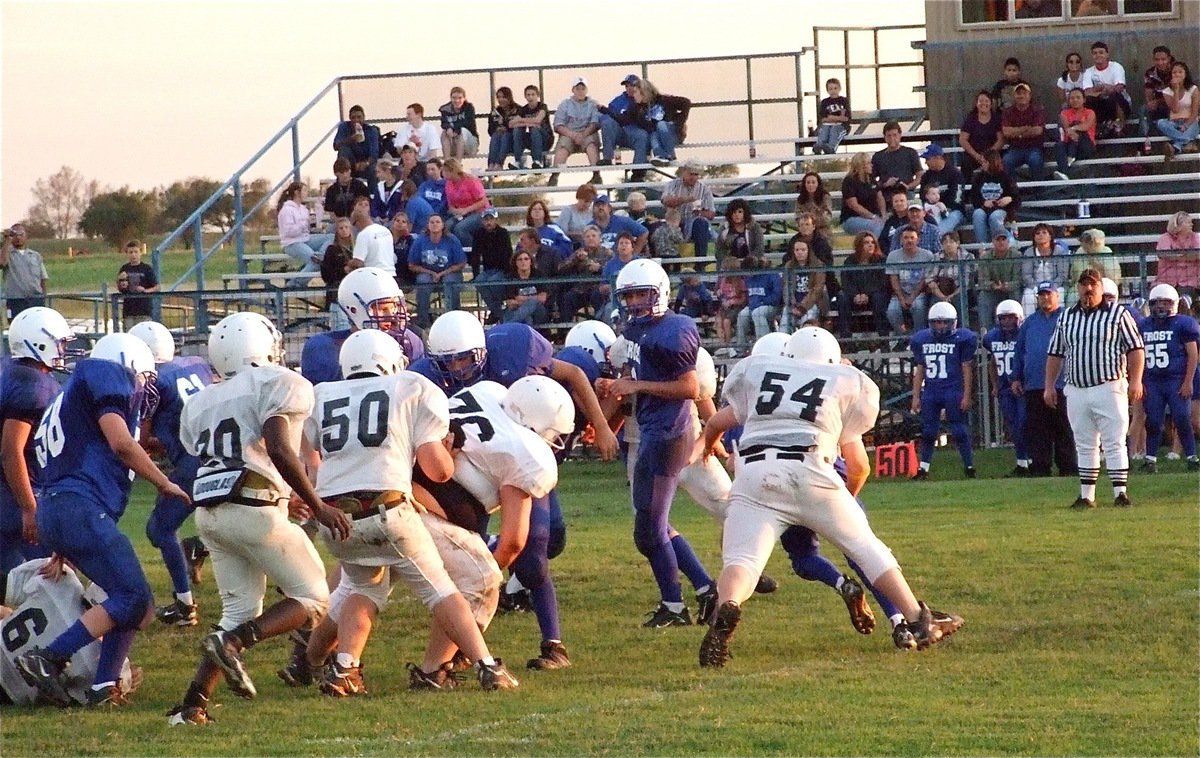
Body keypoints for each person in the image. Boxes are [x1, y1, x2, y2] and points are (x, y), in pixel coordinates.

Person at [696, 327, 961, 668]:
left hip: (754, 474)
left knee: (742, 562)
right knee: (866, 547)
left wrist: (707, 448)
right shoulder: (845, 381)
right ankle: (917, 619)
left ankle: (728, 606)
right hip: (810, 469)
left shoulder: (758, 370)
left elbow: (722, 416)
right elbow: (854, 444)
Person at [302, 330, 517, 695]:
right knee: (442, 590)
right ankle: (487, 665)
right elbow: (438, 471)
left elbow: (311, 463)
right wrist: (447, 454)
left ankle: (344, 669)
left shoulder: (320, 395)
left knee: (360, 586)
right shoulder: (410, 387)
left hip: (334, 514)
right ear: (390, 361)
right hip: (387, 506)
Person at [163, 313, 350, 725]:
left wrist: (284, 496)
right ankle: (233, 643)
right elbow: (281, 449)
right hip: (252, 508)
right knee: (317, 598)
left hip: (212, 514)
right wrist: (317, 504)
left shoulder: (201, 400)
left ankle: (193, 705)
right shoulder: (276, 382)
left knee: (239, 610)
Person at [15, 334, 184, 708]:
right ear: (128, 363)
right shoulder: (107, 372)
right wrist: (163, 481)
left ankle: (103, 687)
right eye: (144, 376)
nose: (145, 386)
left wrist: (61, 536)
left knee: (135, 602)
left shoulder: (68, 395)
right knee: (134, 596)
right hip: (79, 508)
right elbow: (121, 443)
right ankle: (50, 657)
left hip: (60, 508)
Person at [595, 259, 717, 627]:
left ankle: (680, 603)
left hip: (670, 436)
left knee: (650, 531)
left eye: (640, 294)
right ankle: (700, 591)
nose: (633, 302)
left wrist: (636, 385)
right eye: (628, 295)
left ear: (660, 292)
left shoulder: (675, 330)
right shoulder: (633, 333)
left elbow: (690, 389)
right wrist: (617, 387)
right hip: (650, 432)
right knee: (650, 528)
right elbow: (639, 379)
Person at [127, 321, 214, 628]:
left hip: (193, 461)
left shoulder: (153, 381)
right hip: (221, 452)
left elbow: (139, 441)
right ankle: (197, 548)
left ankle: (184, 605)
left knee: (159, 530)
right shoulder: (197, 364)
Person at [1045, 268, 1145, 509]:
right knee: (1084, 442)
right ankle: (1086, 495)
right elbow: (1055, 353)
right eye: (1084, 285)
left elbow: (1136, 349)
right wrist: (1049, 385)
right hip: (1076, 387)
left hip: (1108, 385)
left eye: (1093, 285)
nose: (1088, 289)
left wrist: (1136, 380)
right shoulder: (1067, 316)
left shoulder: (1118, 314)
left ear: (1101, 288)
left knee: (1114, 441)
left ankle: (1120, 493)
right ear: (1077, 288)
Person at [0, 558, 138, 705]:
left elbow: (4, 585)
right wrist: (121, 677)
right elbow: (93, 698)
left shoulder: (64, 580)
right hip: (8, 692)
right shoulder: (98, 660)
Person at [0, 307, 70, 573]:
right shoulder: (33, 386)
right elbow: (11, 450)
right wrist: (29, 507)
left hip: (12, 491)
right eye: (59, 342)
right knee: (54, 578)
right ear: (39, 342)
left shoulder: (14, 372)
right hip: (16, 493)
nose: (62, 349)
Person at [300, 267, 425, 386]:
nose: (391, 315)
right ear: (354, 310)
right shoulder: (326, 348)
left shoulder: (408, 342)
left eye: (394, 307)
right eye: (382, 308)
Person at [1012, 281, 1076, 477]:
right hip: (1034, 384)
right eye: (1042, 295)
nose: (1045, 298)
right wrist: (1016, 377)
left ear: (1057, 296)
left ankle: (1068, 466)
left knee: (1064, 427)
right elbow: (1019, 351)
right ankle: (1040, 465)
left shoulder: (1068, 318)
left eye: (1049, 294)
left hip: (1062, 383)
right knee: (1038, 429)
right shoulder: (1030, 322)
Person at [909, 302, 978, 480]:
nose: (941, 326)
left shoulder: (963, 339)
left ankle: (970, 467)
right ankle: (923, 469)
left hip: (953, 390)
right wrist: (916, 396)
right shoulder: (921, 339)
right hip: (931, 390)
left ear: (953, 323)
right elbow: (920, 369)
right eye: (937, 322)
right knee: (928, 431)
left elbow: (966, 367)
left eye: (945, 322)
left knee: (959, 430)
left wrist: (966, 394)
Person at [1138, 284, 1199, 472]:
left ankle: (1191, 457)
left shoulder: (1183, 324)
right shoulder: (1143, 325)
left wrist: (1188, 381)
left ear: (1174, 304)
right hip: (1152, 380)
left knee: (1182, 417)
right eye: (1157, 303)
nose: (1161, 307)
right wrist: (1139, 380)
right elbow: (1135, 354)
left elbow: (1193, 354)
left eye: (1166, 302)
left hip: (1176, 379)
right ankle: (1150, 459)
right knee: (1154, 420)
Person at [984, 300, 1030, 475]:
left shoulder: (1025, 335)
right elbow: (993, 362)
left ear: (1019, 318)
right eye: (1003, 318)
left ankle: (1031, 460)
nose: (1007, 322)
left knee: (1024, 424)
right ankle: (1022, 462)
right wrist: (995, 386)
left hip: (1022, 387)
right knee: (1014, 427)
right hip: (1004, 388)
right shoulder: (992, 338)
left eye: (1011, 317)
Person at [408, 215, 467, 326]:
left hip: (450, 272)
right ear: (428, 225)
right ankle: (423, 321)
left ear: (443, 225)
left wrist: (442, 273)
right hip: (427, 272)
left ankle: (453, 318)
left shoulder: (452, 240)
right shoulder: (420, 241)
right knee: (423, 281)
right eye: (432, 222)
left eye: (437, 222)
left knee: (450, 281)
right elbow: (412, 265)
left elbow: (461, 263)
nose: (435, 224)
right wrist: (431, 273)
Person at [277, 182, 334, 283]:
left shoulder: (304, 209)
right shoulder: (286, 210)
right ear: (296, 192)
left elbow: (306, 229)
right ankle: (294, 284)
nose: (306, 193)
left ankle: (320, 256)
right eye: (304, 190)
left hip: (305, 239)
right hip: (292, 243)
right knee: (315, 262)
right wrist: (305, 223)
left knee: (331, 237)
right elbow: (289, 232)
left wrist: (315, 224)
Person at [550, 78, 602, 187]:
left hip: (587, 133)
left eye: (583, 88)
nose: (580, 91)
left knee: (591, 144)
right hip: (569, 134)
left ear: (586, 90)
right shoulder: (565, 104)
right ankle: (555, 175)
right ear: (573, 90)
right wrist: (573, 135)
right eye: (577, 88)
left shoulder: (593, 104)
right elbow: (558, 125)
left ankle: (596, 174)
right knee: (563, 147)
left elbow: (595, 124)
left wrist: (582, 135)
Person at [837, 232, 890, 337]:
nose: (870, 245)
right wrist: (855, 294)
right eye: (866, 242)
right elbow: (846, 281)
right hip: (855, 297)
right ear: (859, 245)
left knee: (878, 298)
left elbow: (882, 282)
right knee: (842, 297)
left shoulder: (881, 260)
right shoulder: (850, 261)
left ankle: (884, 338)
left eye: (872, 242)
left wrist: (866, 294)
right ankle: (846, 339)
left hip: (875, 296)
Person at [885, 227, 937, 334]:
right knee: (892, 311)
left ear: (918, 240)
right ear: (901, 240)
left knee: (918, 307)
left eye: (912, 238)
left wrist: (912, 297)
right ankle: (903, 337)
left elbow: (925, 279)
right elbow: (893, 279)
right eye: (906, 238)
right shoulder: (893, 256)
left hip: (920, 293)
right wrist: (901, 298)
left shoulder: (927, 255)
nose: (909, 240)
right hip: (899, 293)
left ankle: (919, 335)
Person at [660, 161, 716, 260]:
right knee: (664, 230)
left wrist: (699, 213)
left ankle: (700, 262)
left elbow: (711, 214)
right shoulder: (672, 185)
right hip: (674, 222)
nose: (693, 177)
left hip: (694, 224)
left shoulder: (704, 189)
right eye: (691, 174)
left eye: (696, 174)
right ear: (683, 172)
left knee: (701, 224)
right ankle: (668, 264)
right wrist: (685, 200)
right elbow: (665, 201)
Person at [598, 73, 651, 171]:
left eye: (632, 85)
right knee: (607, 122)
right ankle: (607, 158)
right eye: (627, 86)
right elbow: (608, 116)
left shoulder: (645, 100)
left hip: (635, 133)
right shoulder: (618, 100)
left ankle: (638, 171)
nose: (629, 88)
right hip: (619, 133)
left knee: (642, 135)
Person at [969, 149, 1020, 246]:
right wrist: (983, 202)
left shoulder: (1006, 176)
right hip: (983, 208)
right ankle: (982, 247)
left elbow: (1017, 197)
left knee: (995, 216)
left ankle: (1006, 242)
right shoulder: (979, 177)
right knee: (977, 214)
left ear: (991, 162)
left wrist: (1009, 199)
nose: (982, 164)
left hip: (1001, 209)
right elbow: (973, 197)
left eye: (984, 162)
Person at [471, 208, 513, 323]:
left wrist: (507, 271)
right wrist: (475, 274)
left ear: (496, 220)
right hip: (488, 270)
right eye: (486, 220)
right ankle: (498, 312)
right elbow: (475, 255)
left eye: (491, 219)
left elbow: (508, 253)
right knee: (479, 282)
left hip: (502, 269)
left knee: (494, 282)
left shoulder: (503, 233)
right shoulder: (479, 234)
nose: (488, 222)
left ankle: (496, 312)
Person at [634, 79, 691, 164]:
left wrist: (679, 122)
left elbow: (686, 102)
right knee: (653, 136)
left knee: (661, 125)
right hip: (658, 136)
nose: (633, 95)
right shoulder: (639, 109)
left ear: (643, 92)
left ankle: (671, 156)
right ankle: (661, 157)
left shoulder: (664, 100)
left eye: (635, 92)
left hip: (672, 133)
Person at [558, 226, 608, 319]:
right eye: (588, 236)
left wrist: (600, 268)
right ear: (583, 239)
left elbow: (611, 270)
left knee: (598, 297)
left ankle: (600, 324)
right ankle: (565, 329)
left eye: (593, 236)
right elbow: (561, 269)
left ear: (599, 238)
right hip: (581, 290)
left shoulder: (607, 253)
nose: (591, 238)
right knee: (568, 298)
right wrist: (575, 260)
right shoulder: (579, 253)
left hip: (599, 288)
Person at [1083, 41, 1132, 136]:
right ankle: (1095, 128)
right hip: (1101, 104)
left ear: (1107, 54)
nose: (1098, 55)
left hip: (1121, 103)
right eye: (1095, 53)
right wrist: (1102, 88)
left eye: (1101, 52)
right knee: (1089, 100)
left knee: (1114, 96)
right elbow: (1086, 92)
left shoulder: (1116, 67)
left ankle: (1120, 126)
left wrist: (1097, 90)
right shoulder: (1088, 72)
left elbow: (1119, 88)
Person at [871, 121, 922, 210]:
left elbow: (919, 175)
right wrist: (885, 184)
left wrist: (908, 186)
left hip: (907, 193)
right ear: (885, 137)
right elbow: (871, 180)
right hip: (886, 194)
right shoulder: (878, 156)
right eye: (889, 136)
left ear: (900, 135)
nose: (892, 138)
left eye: (895, 135)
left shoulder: (910, 153)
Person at [1021, 223, 1070, 314]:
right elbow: (1026, 275)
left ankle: (1060, 322)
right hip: (1034, 287)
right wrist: (1036, 288)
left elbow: (1062, 275)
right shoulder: (1029, 252)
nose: (1041, 235)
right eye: (1038, 233)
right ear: (1034, 237)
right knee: (1028, 297)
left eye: (1044, 232)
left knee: (1059, 295)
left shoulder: (1059, 251)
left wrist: (1052, 287)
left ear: (1050, 236)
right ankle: (1029, 324)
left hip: (1056, 286)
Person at [0, 224, 48, 318]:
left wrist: (43, 297)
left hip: (35, 299)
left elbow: (43, 279)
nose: (18, 238)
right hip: (16, 300)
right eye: (15, 235)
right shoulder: (7, 253)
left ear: (26, 236)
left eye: (21, 234)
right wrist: (7, 240)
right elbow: (2, 263)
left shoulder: (35, 255)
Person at [1001, 83, 1047, 179]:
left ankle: (1039, 192)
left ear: (1029, 96)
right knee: (1006, 161)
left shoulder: (1037, 110)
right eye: (1018, 93)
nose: (1021, 96)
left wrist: (1017, 133)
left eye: (1024, 93)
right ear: (1014, 96)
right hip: (1015, 149)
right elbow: (1006, 132)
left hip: (1034, 148)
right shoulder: (1008, 112)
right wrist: (1025, 128)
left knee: (1036, 160)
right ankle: (1012, 191)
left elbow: (1038, 130)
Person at [1155, 61, 1199, 160]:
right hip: (1173, 122)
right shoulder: (1166, 91)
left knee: (1193, 127)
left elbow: (1195, 111)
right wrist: (1176, 90)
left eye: (1180, 72)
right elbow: (1175, 109)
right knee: (1161, 123)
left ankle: (1175, 148)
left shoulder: (1193, 89)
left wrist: (1186, 125)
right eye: (1174, 72)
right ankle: (1188, 142)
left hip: (1190, 121)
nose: (1177, 74)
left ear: (1185, 74)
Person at [441, 158, 491, 247]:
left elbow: (483, 201)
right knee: (447, 227)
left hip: (480, 212)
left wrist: (466, 210)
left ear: (453, 171)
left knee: (460, 228)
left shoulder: (471, 181)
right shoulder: (448, 183)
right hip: (461, 213)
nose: (443, 173)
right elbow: (450, 204)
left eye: (446, 171)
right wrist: (455, 211)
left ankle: (471, 251)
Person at [977, 232, 1022, 330]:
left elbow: (1019, 280)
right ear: (993, 242)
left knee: (1016, 294)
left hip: (1011, 290)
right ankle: (985, 332)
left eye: (1003, 239)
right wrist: (993, 285)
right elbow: (982, 281)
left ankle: (1018, 328)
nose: (1001, 242)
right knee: (983, 296)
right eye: (998, 240)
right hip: (993, 291)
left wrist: (1007, 286)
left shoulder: (1017, 255)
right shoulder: (985, 257)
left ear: (1008, 241)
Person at [918, 145, 965, 236]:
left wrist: (944, 209)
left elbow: (958, 197)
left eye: (928, 159)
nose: (926, 163)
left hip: (953, 211)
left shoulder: (954, 173)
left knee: (940, 230)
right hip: (931, 211)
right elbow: (923, 196)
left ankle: (935, 236)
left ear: (937, 158)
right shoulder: (926, 176)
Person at [735, 256, 782, 346]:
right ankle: (740, 347)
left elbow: (776, 297)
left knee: (757, 313)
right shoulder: (748, 278)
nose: (746, 275)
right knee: (742, 315)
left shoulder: (772, 275)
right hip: (754, 305)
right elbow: (750, 296)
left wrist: (762, 302)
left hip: (771, 306)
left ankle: (764, 345)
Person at [781, 237, 826, 329]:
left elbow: (817, 289)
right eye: (797, 250)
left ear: (808, 251)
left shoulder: (818, 265)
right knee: (784, 326)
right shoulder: (789, 266)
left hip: (811, 304)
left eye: (803, 250)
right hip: (793, 305)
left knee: (806, 326)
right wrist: (792, 305)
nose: (800, 252)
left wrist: (803, 307)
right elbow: (786, 287)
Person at [958, 91, 1005, 178]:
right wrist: (976, 155)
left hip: (992, 154)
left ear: (991, 103)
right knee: (965, 163)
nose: (984, 103)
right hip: (974, 154)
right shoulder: (971, 119)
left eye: (986, 101)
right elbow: (963, 139)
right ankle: (967, 191)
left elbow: (1001, 140)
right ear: (976, 104)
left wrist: (989, 155)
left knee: (1002, 162)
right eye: (981, 101)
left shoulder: (997, 119)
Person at [1155, 211, 1200, 298]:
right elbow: (1164, 254)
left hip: (1189, 281)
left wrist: (1176, 255)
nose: (1192, 225)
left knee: (1185, 295)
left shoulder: (1196, 237)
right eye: (1188, 222)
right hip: (1166, 280)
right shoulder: (1165, 237)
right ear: (1178, 225)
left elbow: (1198, 255)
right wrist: (1188, 255)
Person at [113, 240, 157, 327]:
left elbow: (157, 287)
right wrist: (119, 280)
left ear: (141, 252)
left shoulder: (146, 268)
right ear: (127, 254)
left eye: (136, 252)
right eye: (131, 252)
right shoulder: (124, 268)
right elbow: (120, 288)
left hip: (144, 311)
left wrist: (145, 290)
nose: (133, 255)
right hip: (129, 311)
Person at [928, 232, 975, 314]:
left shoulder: (968, 257)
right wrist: (942, 296)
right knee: (935, 304)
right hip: (941, 291)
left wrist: (952, 296)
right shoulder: (936, 257)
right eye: (945, 242)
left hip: (961, 291)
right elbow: (930, 279)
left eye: (951, 242)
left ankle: (962, 326)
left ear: (958, 243)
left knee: (960, 300)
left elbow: (966, 282)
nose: (948, 245)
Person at [1140, 46, 1175, 155]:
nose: (1160, 63)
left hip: (1175, 103)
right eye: (1157, 60)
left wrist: (1158, 101)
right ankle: (1145, 141)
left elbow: (1179, 95)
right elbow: (1148, 92)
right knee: (1143, 110)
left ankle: (1174, 140)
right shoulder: (1150, 73)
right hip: (1160, 103)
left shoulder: (1177, 70)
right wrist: (1150, 103)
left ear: (1169, 58)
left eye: (1163, 59)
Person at [347, 200, 396, 277]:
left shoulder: (363, 235)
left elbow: (358, 262)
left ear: (358, 222)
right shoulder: (386, 231)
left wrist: (349, 263)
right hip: (391, 275)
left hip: (374, 276)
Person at [839, 153, 884, 238]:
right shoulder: (849, 181)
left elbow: (880, 198)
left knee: (889, 226)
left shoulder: (871, 179)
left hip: (873, 216)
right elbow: (854, 205)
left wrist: (883, 215)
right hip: (852, 218)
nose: (872, 165)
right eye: (868, 163)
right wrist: (873, 217)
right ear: (861, 166)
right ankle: (875, 249)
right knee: (876, 226)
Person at [1069, 228, 1120, 303]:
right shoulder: (1080, 252)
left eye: (1089, 240)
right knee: (1072, 296)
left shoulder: (1106, 252)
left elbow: (1113, 277)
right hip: (1082, 285)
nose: (1086, 243)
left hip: (1103, 285)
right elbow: (1075, 276)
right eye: (1085, 240)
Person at [510, 84, 554, 170]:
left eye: (533, 94)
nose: (531, 97)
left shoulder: (542, 106)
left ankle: (537, 161)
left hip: (545, 139)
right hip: (532, 140)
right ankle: (518, 161)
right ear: (525, 97)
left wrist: (521, 120)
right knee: (517, 130)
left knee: (534, 129)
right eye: (528, 95)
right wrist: (529, 123)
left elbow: (538, 120)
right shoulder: (523, 109)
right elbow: (512, 124)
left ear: (537, 96)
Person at [503, 249, 552, 325]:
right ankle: (527, 334)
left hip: (539, 312)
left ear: (531, 261)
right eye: (520, 259)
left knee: (533, 303)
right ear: (515, 263)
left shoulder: (539, 275)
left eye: (526, 259)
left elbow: (542, 299)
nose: (523, 262)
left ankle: (508, 325)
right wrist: (534, 298)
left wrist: (523, 300)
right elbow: (510, 303)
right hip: (520, 311)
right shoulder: (511, 278)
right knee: (527, 318)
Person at [332, 105, 381, 180]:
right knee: (343, 150)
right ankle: (341, 185)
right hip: (349, 164)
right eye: (353, 118)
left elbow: (374, 153)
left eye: (359, 117)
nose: (356, 120)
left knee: (373, 170)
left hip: (365, 163)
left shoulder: (371, 130)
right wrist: (351, 139)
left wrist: (366, 163)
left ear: (364, 117)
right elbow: (336, 146)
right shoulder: (344, 126)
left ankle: (373, 192)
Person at [1055, 87, 1097, 174]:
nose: (1075, 100)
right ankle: (1065, 171)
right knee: (1059, 145)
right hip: (1069, 142)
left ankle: (1070, 157)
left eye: (1078, 97)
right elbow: (1066, 129)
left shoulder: (1090, 112)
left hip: (1085, 146)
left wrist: (1073, 128)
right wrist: (1072, 131)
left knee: (1079, 130)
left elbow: (1086, 126)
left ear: (1084, 99)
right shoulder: (1064, 113)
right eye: (1072, 98)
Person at [715, 198, 765, 268]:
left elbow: (759, 248)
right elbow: (719, 251)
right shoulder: (724, 229)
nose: (737, 215)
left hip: (751, 264)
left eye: (740, 212)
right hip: (730, 265)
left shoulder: (755, 227)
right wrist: (728, 260)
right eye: (734, 212)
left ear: (745, 213)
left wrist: (749, 260)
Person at [439, 86, 479, 160]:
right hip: (454, 144)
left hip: (470, 145)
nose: (457, 100)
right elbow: (443, 123)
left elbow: (468, 124)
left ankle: (458, 164)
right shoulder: (445, 109)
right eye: (454, 98)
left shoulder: (469, 108)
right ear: (450, 98)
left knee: (462, 131)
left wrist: (456, 130)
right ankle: (447, 163)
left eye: (460, 98)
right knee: (444, 133)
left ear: (464, 98)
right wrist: (448, 128)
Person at [714, 270, 748, 356]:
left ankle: (728, 345)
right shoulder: (722, 281)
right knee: (718, 321)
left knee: (726, 321)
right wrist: (721, 297)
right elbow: (719, 294)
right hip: (724, 306)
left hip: (736, 306)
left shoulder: (740, 282)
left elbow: (743, 299)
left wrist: (732, 302)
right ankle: (723, 345)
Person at [813, 78, 850, 154]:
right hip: (827, 125)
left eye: (835, 88)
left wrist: (831, 118)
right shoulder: (825, 102)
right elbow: (823, 118)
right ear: (827, 90)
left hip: (841, 126)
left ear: (839, 88)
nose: (833, 91)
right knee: (824, 131)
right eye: (830, 89)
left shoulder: (844, 101)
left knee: (834, 130)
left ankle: (831, 148)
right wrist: (838, 118)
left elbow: (846, 118)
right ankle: (818, 146)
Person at [486, 86, 519, 171]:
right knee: (495, 136)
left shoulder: (517, 109)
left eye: (503, 97)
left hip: (514, 142)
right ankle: (491, 164)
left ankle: (499, 164)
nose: (501, 100)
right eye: (498, 97)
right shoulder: (495, 111)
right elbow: (490, 130)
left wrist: (505, 126)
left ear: (509, 97)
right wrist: (497, 129)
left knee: (505, 136)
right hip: (498, 141)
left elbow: (518, 128)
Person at [368, 158, 404, 224]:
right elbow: (374, 205)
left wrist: (390, 217)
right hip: (379, 220)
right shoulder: (379, 187)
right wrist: (377, 216)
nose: (377, 175)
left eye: (379, 172)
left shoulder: (400, 186)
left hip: (395, 220)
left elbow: (400, 206)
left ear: (387, 171)